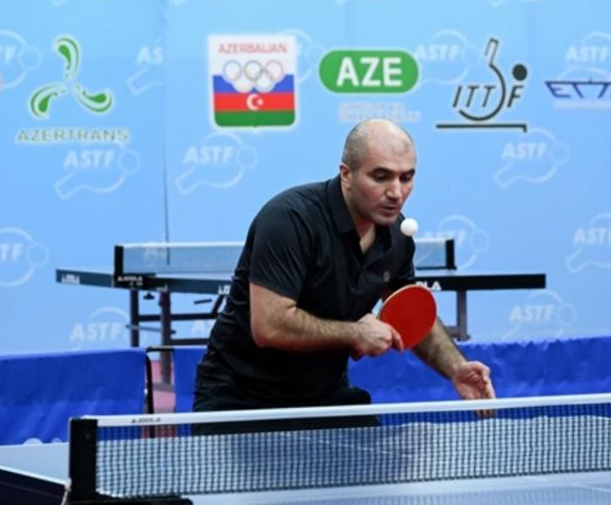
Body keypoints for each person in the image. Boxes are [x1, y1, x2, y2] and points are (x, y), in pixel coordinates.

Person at [192, 118, 495, 424]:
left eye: (406, 177)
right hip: (241, 396)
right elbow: (270, 325)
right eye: (381, 177)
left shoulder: (397, 237)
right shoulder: (291, 220)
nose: (396, 192)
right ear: (346, 175)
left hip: (325, 396)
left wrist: (456, 367)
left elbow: (411, 313)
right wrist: (356, 333)